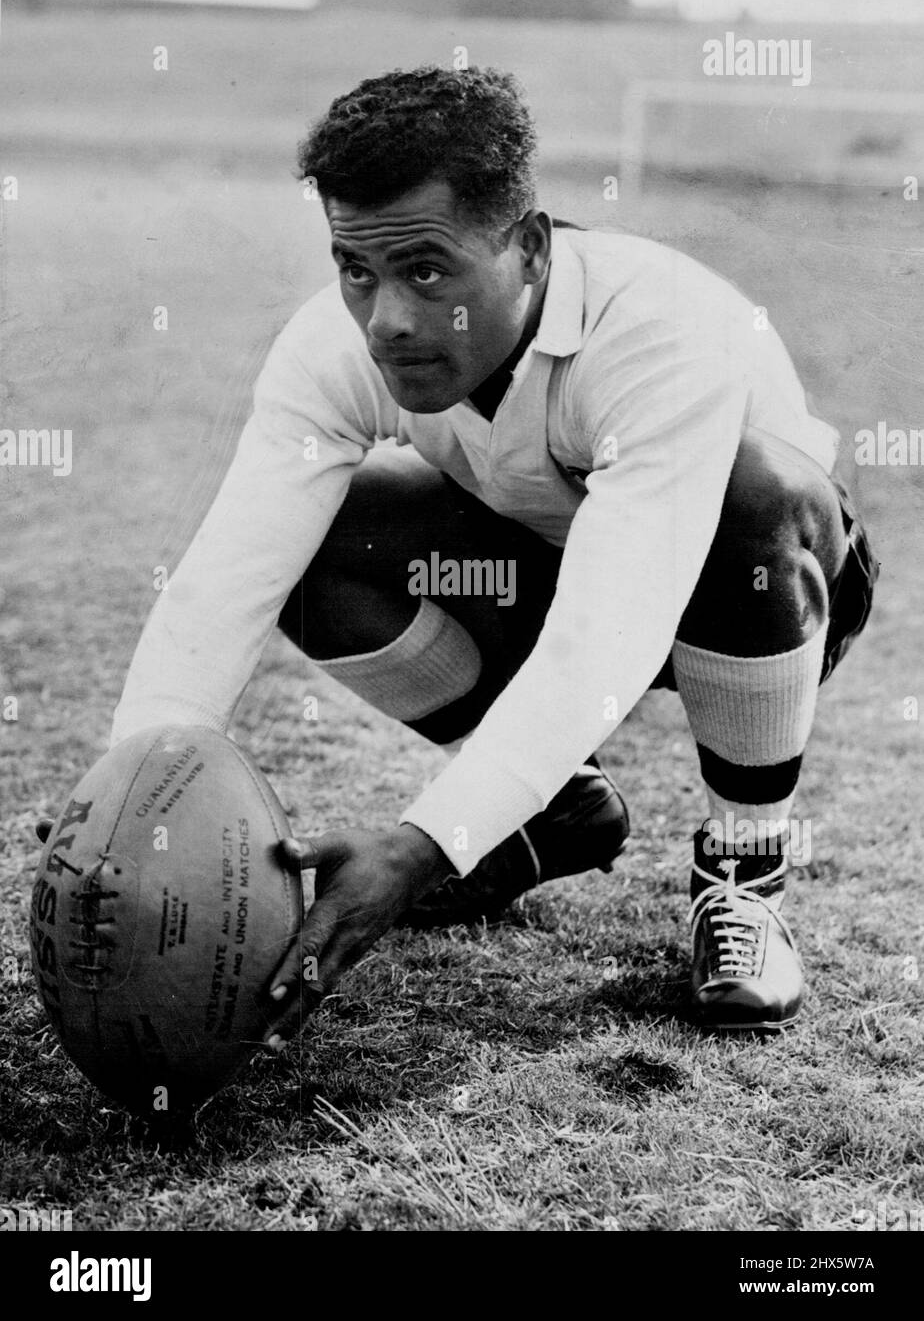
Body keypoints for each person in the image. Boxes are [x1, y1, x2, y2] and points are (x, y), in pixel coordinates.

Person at [109, 65, 877, 1045]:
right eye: (355, 268)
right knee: (318, 533)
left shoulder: (656, 331)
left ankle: (744, 873)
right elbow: (228, 578)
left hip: (759, 591)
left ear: (529, 246)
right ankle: (556, 812)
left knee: (757, 488)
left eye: (426, 270)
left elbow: (610, 633)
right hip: (543, 567)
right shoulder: (334, 348)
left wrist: (424, 841)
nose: (385, 317)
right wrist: (133, 789)